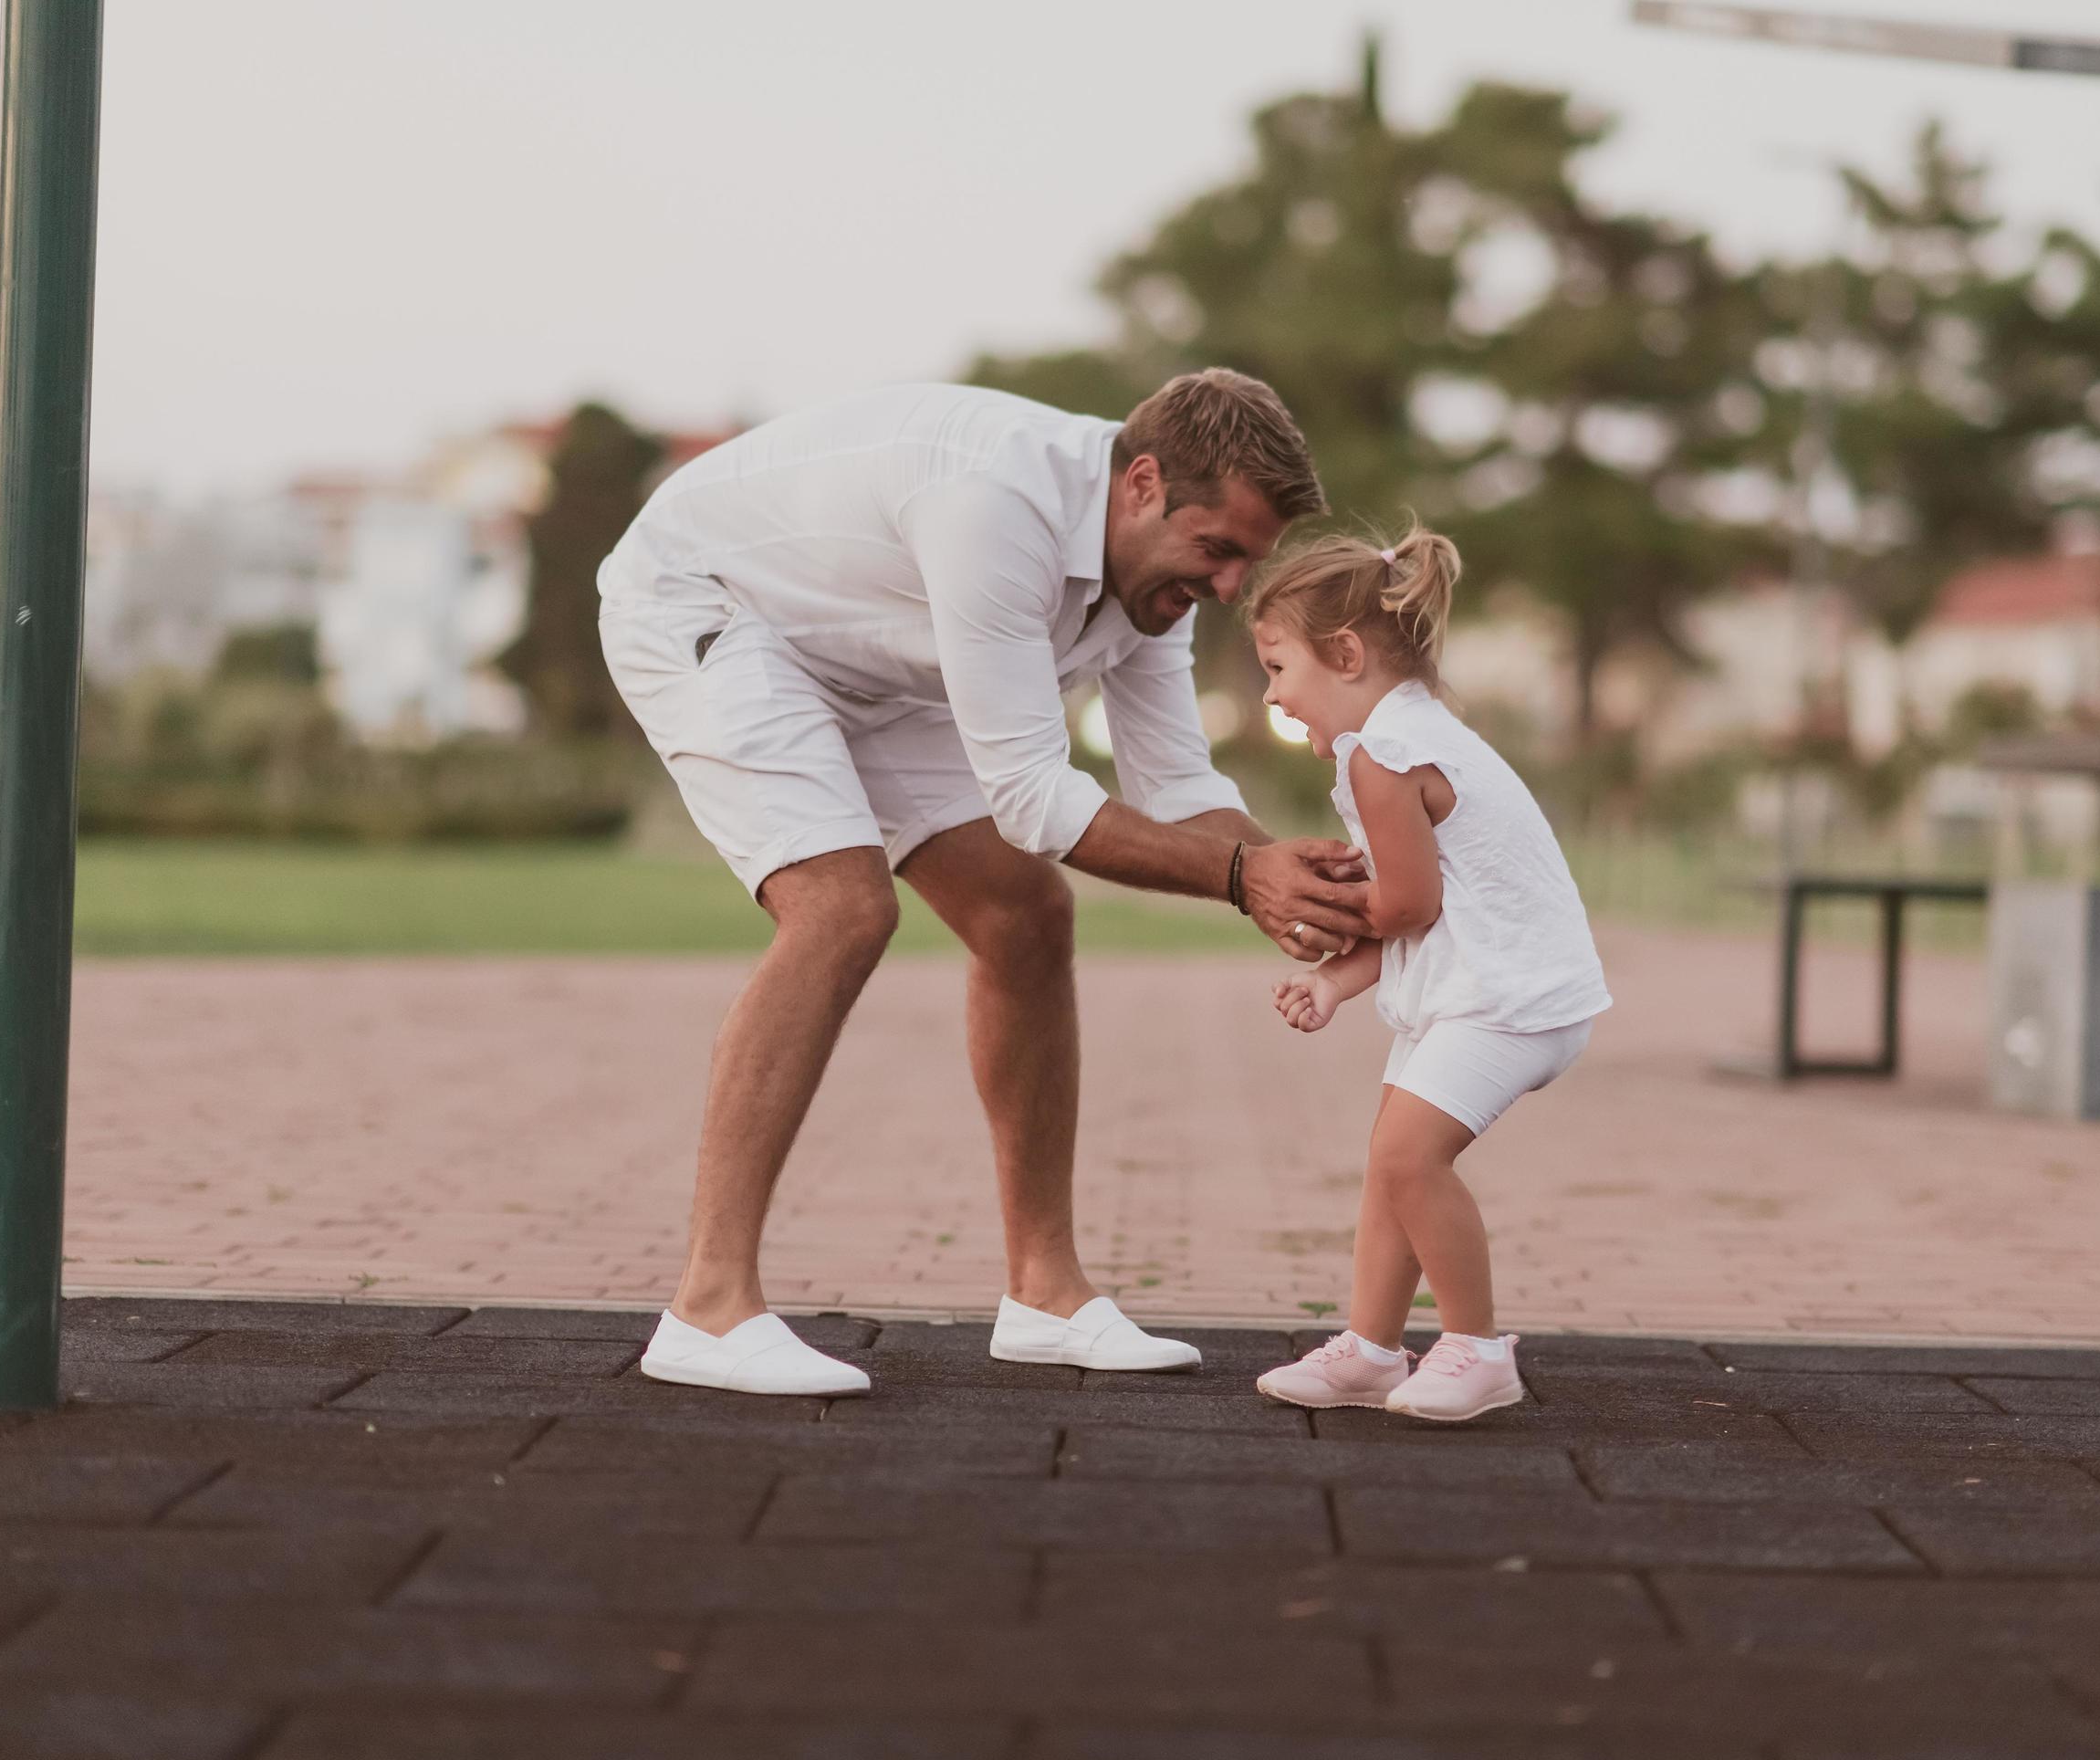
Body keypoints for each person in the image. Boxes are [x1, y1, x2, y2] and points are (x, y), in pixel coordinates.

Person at [597, 372, 1373, 1395]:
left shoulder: (1150, 585)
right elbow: (1035, 801)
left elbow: (1179, 787)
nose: (1232, 588)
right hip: (706, 602)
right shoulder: (996, 507)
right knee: (841, 907)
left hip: (872, 656)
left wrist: (1297, 877)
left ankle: (1044, 1295)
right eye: (1219, 551)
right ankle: (706, 1309)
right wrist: (1245, 878)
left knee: (1025, 912)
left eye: (1248, 560)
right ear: (1142, 484)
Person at [1247, 523, 1611, 1422]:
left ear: (1344, 653)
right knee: (1391, 1162)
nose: (1275, 695)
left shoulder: (1387, 754)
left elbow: (1405, 904)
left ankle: (1476, 1349)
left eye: (1279, 666)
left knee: (1411, 1157)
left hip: (1509, 998)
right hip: (1480, 988)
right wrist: (1335, 979)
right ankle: (1371, 1350)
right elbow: (1422, 898)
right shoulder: (1404, 735)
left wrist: (1328, 907)